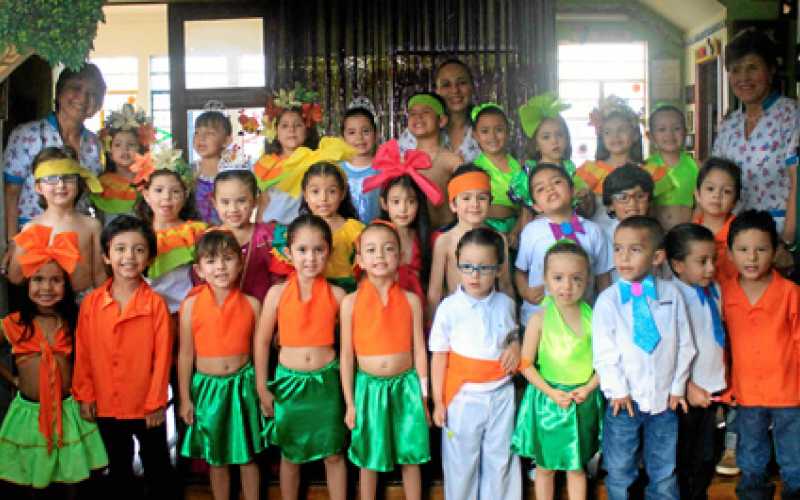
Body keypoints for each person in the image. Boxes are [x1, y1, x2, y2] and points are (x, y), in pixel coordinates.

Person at [592, 216, 696, 500]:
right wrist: (618, 390)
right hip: (623, 403)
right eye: (618, 249)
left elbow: (685, 344)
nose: (623, 257)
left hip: (664, 402)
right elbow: (604, 352)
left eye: (635, 250)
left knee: (664, 471)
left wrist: (677, 387)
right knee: (620, 470)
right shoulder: (608, 300)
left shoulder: (672, 294)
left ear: (657, 257)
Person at [73, 215, 174, 500]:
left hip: (146, 406)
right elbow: (83, 351)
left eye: (139, 249)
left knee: (157, 466)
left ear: (149, 258)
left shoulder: (156, 305)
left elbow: (163, 358)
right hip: (106, 402)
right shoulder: (91, 304)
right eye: (120, 249)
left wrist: (156, 402)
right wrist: (85, 394)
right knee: (117, 468)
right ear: (106, 256)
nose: (129, 256)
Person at [0, 226, 107, 493]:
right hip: (29, 414)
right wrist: (12, 379)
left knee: (71, 478)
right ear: (27, 284)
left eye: (55, 280)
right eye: (38, 279)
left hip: (69, 412)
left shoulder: (74, 322)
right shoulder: (14, 324)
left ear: (66, 285)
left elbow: (90, 362)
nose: (46, 287)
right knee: (30, 477)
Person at [254, 214, 348, 500]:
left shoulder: (338, 295)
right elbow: (262, 341)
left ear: (329, 252)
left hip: (326, 385)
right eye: (302, 250)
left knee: (334, 453)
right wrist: (262, 387)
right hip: (289, 386)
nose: (310, 258)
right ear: (288, 253)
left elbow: (349, 349)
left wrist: (349, 394)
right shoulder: (276, 294)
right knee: (290, 454)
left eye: (318, 250)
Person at [340, 222, 430, 500]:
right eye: (371, 250)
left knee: (411, 454)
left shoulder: (411, 300)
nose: (379, 255)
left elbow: (419, 351)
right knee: (369, 455)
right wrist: (350, 403)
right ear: (360, 260)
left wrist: (424, 398)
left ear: (400, 256)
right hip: (368, 389)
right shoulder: (350, 302)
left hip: (406, 388)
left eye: (388, 249)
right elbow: (346, 356)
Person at [429, 227, 521, 500]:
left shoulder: (506, 304)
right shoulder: (449, 308)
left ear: (499, 269)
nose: (474, 275)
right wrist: (438, 401)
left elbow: (512, 335)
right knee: (461, 465)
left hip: (501, 394)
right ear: (457, 265)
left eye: (484, 267)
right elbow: (439, 355)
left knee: (500, 460)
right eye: (467, 266)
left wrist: (515, 345)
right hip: (463, 397)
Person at [512, 241, 603, 500]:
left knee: (576, 467)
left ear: (587, 280)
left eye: (576, 278)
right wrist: (550, 392)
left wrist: (589, 387)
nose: (567, 286)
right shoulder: (539, 319)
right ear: (545, 280)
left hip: (582, 401)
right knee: (545, 467)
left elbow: (607, 363)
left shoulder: (595, 318)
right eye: (558, 278)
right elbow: (525, 363)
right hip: (548, 401)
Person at [720, 210, 800, 500]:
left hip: (789, 392)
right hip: (747, 392)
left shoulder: (790, 293)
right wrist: (725, 386)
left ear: (776, 251)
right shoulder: (724, 294)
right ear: (730, 254)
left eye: (761, 249)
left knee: (794, 456)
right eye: (743, 250)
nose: (751, 258)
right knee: (751, 457)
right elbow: (722, 346)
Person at [178, 230, 264, 500]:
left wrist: (261, 392)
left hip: (243, 387)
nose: (220, 267)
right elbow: (185, 355)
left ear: (240, 263)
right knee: (217, 458)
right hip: (208, 390)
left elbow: (259, 354)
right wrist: (185, 399)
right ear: (199, 270)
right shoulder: (190, 306)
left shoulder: (252, 305)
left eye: (228, 259)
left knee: (247, 456)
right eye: (211, 261)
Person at [712, 29, 799, 252]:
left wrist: (788, 242)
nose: (743, 77)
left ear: (771, 70)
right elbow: (712, 181)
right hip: (733, 239)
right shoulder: (728, 125)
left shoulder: (791, 116)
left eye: (752, 67)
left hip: (778, 237)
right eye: (735, 69)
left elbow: (797, 182)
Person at [3, 63, 106, 240]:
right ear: (59, 92)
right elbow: (11, 192)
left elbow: (95, 196)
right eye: (76, 87)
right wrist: (12, 242)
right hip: (33, 235)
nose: (83, 97)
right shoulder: (27, 134)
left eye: (93, 94)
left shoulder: (94, 143)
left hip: (78, 235)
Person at [663, 223, 727, 500]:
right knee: (684, 457)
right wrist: (687, 386)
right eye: (702, 261)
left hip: (713, 390)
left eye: (713, 259)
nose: (711, 268)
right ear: (678, 265)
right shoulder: (671, 296)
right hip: (686, 393)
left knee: (707, 456)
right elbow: (668, 349)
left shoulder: (715, 290)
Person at [515, 163, 612, 325]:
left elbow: (603, 277)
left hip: (582, 322)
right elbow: (520, 271)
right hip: (540, 320)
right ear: (536, 206)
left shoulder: (594, 231)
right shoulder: (531, 232)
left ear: (572, 190)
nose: (550, 189)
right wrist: (525, 291)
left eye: (557, 182)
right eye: (540, 189)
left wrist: (606, 314)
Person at [7, 148, 106, 294]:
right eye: (51, 178)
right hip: (44, 300)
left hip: (83, 301)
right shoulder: (31, 228)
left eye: (68, 177)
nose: (61, 185)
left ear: (78, 183)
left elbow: (99, 275)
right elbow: (15, 277)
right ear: (39, 187)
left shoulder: (92, 226)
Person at [363, 139, 442, 311]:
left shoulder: (430, 239)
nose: (403, 209)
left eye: (411, 201)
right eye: (396, 202)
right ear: (384, 203)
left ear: (419, 204)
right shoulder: (371, 237)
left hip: (420, 312)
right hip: (383, 310)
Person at [428, 165, 514, 314]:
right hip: (457, 317)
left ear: (490, 202)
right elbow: (435, 292)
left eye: (482, 198)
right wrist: (432, 324)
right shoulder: (445, 241)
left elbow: (505, 285)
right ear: (453, 205)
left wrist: (512, 320)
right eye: (466, 198)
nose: (474, 204)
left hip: (490, 315)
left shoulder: (499, 238)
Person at [133, 146, 207, 313]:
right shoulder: (137, 234)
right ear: (146, 195)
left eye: (175, 191)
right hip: (148, 312)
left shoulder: (195, 232)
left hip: (188, 310)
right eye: (159, 190)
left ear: (185, 195)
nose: (166, 197)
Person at [510, 92, 591, 218]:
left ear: (567, 138)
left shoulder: (569, 168)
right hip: (541, 224)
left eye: (559, 135)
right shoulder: (529, 172)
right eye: (546, 137)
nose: (554, 141)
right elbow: (526, 213)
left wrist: (582, 195)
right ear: (536, 144)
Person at [254, 86, 322, 224]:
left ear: (307, 130)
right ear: (275, 131)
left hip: (304, 227)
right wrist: (259, 230)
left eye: (298, 125)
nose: (291, 130)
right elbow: (263, 201)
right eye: (284, 126)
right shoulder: (266, 164)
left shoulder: (316, 160)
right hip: (271, 228)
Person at [212, 169, 279, 302]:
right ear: (215, 203)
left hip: (265, 310)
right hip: (221, 311)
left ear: (255, 201)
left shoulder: (269, 236)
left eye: (241, 201)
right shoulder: (209, 240)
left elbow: (280, 280)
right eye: (225, 202)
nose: (233, 209)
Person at [399, 58, 482, 163]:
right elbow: (396, 170)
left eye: (462, 83)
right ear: (437, 91)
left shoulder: (486, 127)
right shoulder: (417, 131)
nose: (455, 90)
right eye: (446, 85)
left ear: (472, 87)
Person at [403, 92, 463, 229]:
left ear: (441, 120)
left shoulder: (452, 161)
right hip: (414, 233)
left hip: (445, 231)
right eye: (413, 113)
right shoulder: (402, 161)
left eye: (425, 112)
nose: (418, 117)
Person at [91, 103, 154, 226]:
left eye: (131, 144)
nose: (124, 149)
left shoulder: (150, 182)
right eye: (118, 145)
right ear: (110, 152)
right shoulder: (101, 184)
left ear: (141, 150)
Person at [471, 103, 524, 241]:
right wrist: (494, 235)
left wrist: (515, 232)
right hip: (484, 232)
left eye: (499, 130)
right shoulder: (474, 169)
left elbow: (526, 208)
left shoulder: (519, 168)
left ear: (508, 132)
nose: (492, 136)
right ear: (475, 135)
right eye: (485, 131)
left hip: (516, 233)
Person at [644, 105, 699, 230]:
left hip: (686, 233)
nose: (669, 134)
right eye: (662, 129)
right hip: (655, 234)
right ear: (650, 136)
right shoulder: (646, 168)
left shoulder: (696, 166)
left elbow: (702, 204)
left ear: (685, 132)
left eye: (676, 128)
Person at [601, 165, 655, 282]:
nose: (632, 203)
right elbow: (603, 278)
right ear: (610, 204)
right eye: (623, 197)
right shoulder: (603, 237)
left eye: (640, 196)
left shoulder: (655, 233)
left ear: (649, 201)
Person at [693, 157, 742, 282]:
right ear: (697, 195)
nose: (717, 195)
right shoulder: (690, 232)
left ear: (735, 202)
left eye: (726, 191)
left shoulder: (742, 233)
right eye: (710, 189)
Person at [340, 105, 381, 224]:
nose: (359, 137)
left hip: (378, 232)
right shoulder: (337, 170)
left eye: (366, 131)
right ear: (343, 138)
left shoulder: (385, 169)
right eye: (352, 132)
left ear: (376, 134)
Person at [191, 110, 233, 225]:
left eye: (210, 133)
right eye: (197, 133)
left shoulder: (231, 174)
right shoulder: (188, 171)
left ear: (226, 141)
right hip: (193, 232)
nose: (201, 138)